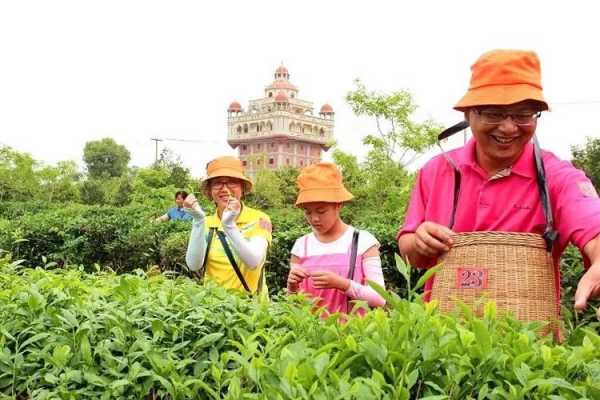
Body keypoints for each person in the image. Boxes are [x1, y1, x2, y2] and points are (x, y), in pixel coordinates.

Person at [397, 49, 600, 312]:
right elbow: (408, 249)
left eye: (523, 114)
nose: (508, 127)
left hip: (527, 347)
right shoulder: (436, 171)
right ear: (468, 114)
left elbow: (592, 223)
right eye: (493, 114)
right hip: (441, 343)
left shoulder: (557, 176)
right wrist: (419, 242)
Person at [287, 162, 386, 315]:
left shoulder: (363, 242)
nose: (314, 219)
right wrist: (291, 287)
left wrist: (341, 284)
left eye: (321, 211)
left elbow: (380, 298)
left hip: (352, 335)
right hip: (310, 335)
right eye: (308, 212)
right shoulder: (301, 246)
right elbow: (293, 306)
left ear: (338, 205)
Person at [183, 156, 271, 294]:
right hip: (214, 309)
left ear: (242, 188)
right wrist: (198, 221)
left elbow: (253, 261)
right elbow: (194, 265)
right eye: (217, 183)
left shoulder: (259, 219)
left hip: (251, 311)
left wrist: (228, 225)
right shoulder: (207, 223)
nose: (224, 189)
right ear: (210, 191)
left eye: (232, 182)